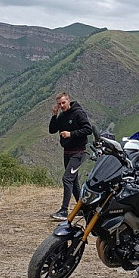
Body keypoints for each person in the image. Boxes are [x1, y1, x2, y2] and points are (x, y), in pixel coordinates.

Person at [48, 92, 93, 221]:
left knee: (67, 179)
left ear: (68, 101)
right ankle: (84, 209)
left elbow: (88, 129)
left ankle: (64, 210)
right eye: (59, 104)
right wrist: (54, 115)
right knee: (73, 181)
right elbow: (52, 130)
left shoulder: (78, 113)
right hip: (67, 152)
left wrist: (71, 134)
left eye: (63, 102)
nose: (62, 105)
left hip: (78, 152)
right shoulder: (62, 116)